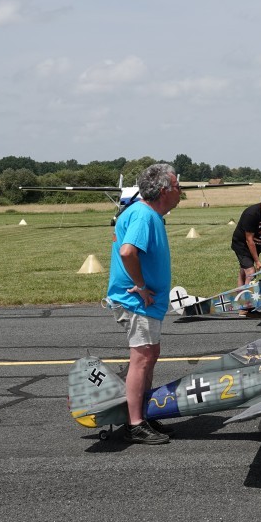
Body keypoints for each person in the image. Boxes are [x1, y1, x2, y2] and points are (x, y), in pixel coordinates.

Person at [105, 163, 181, 445]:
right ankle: (135, 423)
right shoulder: (144, 215)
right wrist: (140, 285)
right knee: (142, 358)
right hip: (137, 302)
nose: (180, 192)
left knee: (149, 355)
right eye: (177, 186)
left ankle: (143, 414)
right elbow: (127, 252)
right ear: (164, 190)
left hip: (146, 304)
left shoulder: (149, 215)